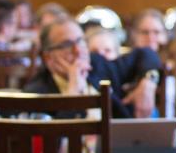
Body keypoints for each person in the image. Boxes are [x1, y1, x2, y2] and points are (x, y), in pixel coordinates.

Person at [25, 17, 161, 118]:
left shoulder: (97, 63)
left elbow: (147, 54)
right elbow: (54, 146)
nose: (78, 50)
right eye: (67, 45)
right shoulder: (36, 93)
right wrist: (73, 93)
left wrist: (148, 81)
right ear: (48, 57)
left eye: (80, 41)